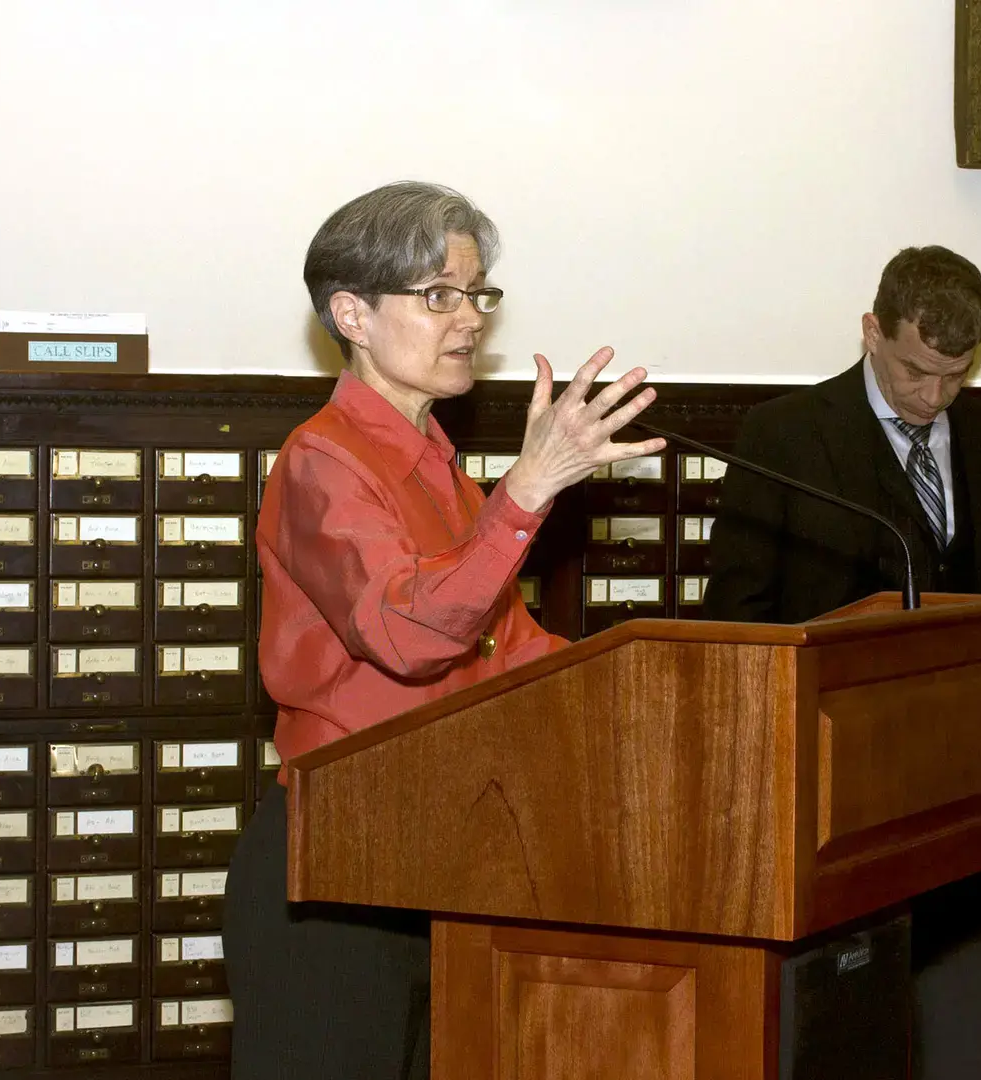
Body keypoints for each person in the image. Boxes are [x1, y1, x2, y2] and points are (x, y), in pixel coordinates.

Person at [223, 180, 666, 1080]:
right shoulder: (323, 463)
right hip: (337, 870)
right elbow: (409, 635)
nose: (468, 319)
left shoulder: (446, 473)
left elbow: (515, 652)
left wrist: (662, 688)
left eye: (477, 294)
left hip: (448, 854)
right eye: (438, 296)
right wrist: (529, 494)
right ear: (351, 312)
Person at [704, 244, 981, 1080]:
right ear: (871, 330)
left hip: (964, 795)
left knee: (959, 1035)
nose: (933, 398)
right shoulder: (784, 436)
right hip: (830, 795)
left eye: (955, 376)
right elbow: (737, 619)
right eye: (914, 371)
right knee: (841, 1033)